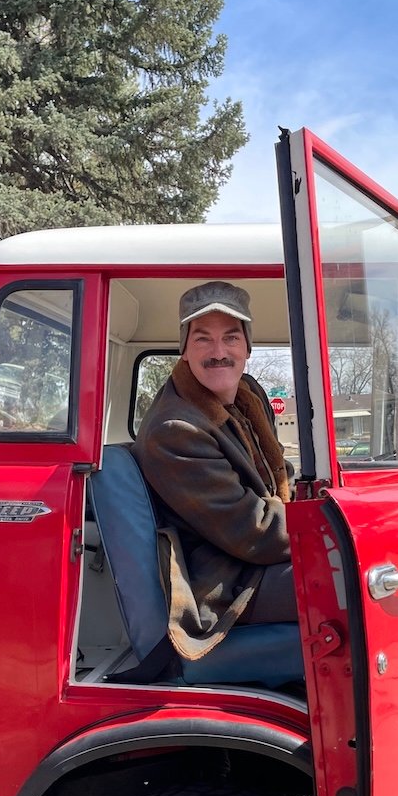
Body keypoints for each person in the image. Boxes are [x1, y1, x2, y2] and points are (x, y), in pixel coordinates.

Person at [134, 281, 297, 663]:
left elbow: (279, 475)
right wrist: (334, 525)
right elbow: (256, 534)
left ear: (247, 347)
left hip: (251, 558)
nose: (219, 352)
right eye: (203, 339)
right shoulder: (175, 429)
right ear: (185, 349)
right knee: (353, 579)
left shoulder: (247, 394)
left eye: (231, 338)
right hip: (226, 582)